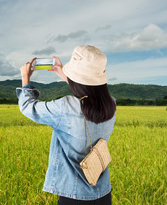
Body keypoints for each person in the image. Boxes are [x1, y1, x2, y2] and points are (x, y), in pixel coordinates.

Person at [16, 45, 116, 204]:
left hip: (73, 195)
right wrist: (66, 75)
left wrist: (25, 79)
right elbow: (90, 92)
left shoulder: (66, 107)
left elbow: (28, 107)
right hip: (103, 193)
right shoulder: (111, 104)